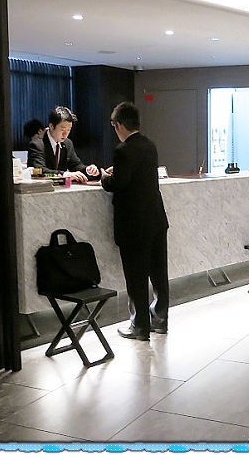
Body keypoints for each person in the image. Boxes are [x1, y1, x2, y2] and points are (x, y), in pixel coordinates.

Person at [101, 101, 170, 340]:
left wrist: (104, 177)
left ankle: (140, 326)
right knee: (159, 273)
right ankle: (160, 320)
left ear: (119, 125)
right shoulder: (149, 145)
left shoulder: (123, 150)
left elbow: (118, 183)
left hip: (134, 224)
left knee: (136, 276)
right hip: (156, 219)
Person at [27, 106, 99, 183]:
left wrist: (87, 170)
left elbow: (75, 165)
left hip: (61, 187)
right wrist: (64, 174)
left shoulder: (67, 143)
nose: (65, 134)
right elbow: (39, 171)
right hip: (41, 187)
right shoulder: (37, 144)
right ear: (51, 126)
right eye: (62, 130)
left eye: (69, 130)